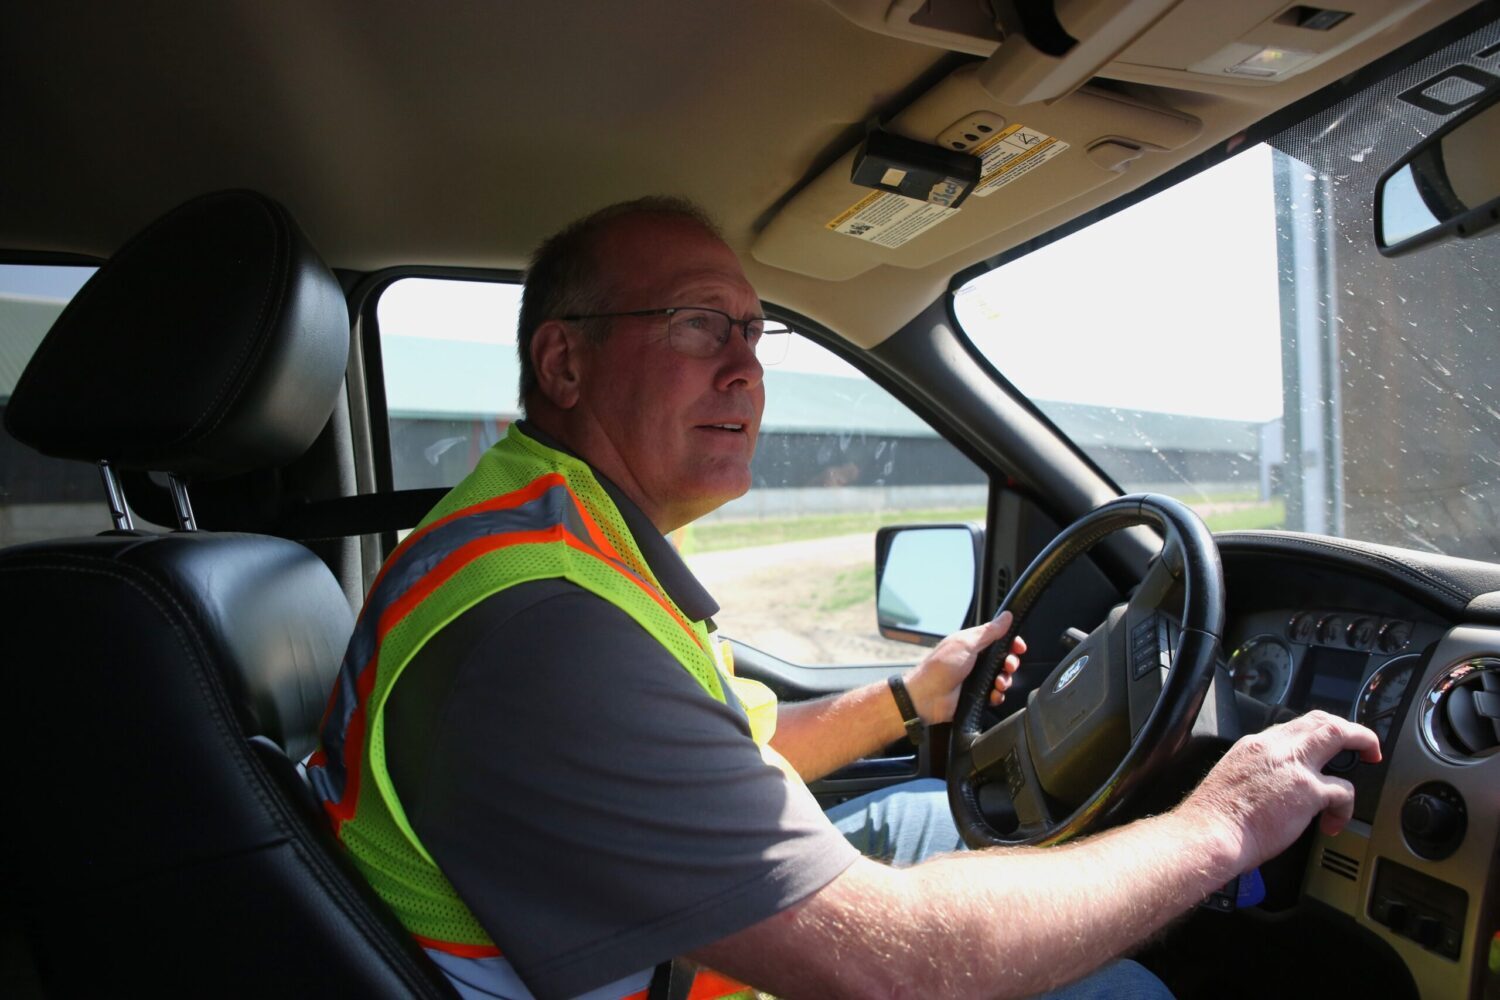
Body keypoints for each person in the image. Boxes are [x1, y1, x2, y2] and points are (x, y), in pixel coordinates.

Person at [308, 197, 1380, 1000]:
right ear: (564, 362)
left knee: (961, 831)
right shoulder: (546, 630)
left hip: (677, 936)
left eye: (753, 332)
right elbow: (899, 968)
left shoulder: (551, 540)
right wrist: (1222, 825)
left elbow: (728, 758)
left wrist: (910, 700)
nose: (746, 369)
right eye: (696, 324)